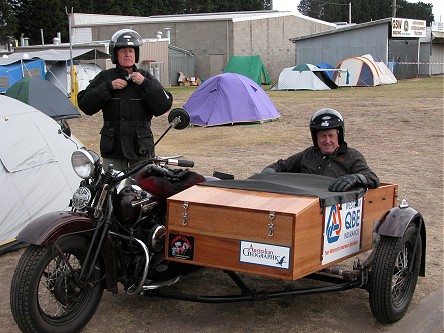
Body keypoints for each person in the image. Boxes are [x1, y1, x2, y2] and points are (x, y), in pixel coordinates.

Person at [77, 29, 173, 172]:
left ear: (136, 54)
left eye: (131, 51)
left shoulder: (145, 76)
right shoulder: (105, 77)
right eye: (123, 51)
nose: (127, 54)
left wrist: (146, 83)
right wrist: (108, 87)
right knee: (112, 189)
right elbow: (85, 104)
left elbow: (164, 105)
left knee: (144, 190)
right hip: (113, 150)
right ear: (115, 54)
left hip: (141, 149)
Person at [262, 108, 379, 192]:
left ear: (339, 136)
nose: (327, 140)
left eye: (331, 136)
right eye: (323, 136)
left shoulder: (352, 156)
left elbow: (372, 178)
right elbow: (280, 166)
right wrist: (268, 173)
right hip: (304, 201)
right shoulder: (308, 154)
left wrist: (356, 178)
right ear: (315, 138)